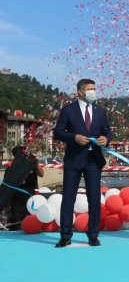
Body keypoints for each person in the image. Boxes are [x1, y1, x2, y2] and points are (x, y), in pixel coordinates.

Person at [53, 78, 112, 248]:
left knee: (94, 198)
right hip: (74, 159)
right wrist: (74, 138)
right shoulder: (68, 110)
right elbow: (58, 132)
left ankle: (93, 235)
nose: (94, 91)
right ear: (80, 92)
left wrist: (105, 139)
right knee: (68, 198)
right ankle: (65, 235)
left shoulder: (100, 111)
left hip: (94, 160)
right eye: (90, 89)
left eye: (94, 88)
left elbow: (108, 132)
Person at [7, 146, 43, 230]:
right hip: (17, 202)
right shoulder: (11, 169)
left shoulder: (32, 166)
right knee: (18, 227)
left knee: (32, 225)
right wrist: (8, 202)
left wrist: (36, 163)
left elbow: (41, 174)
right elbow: (7, 186)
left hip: (31, 200)